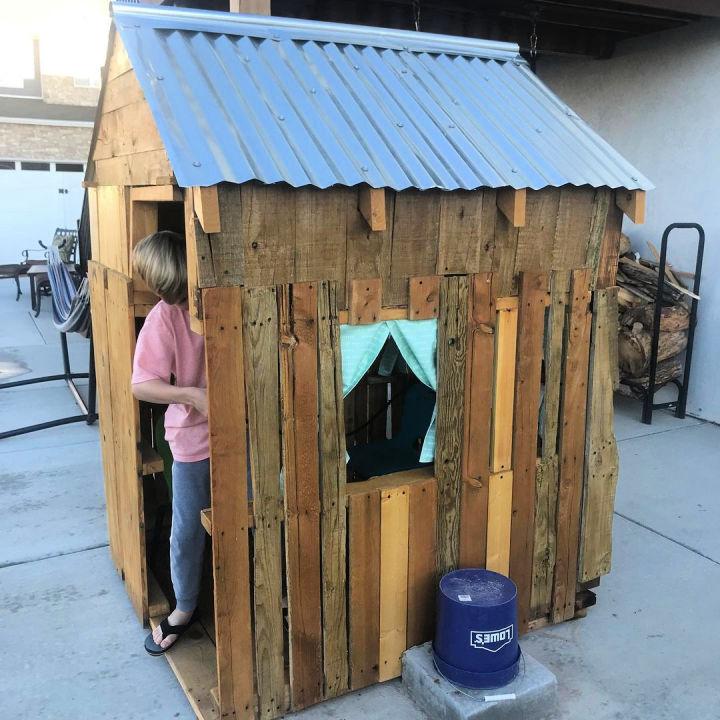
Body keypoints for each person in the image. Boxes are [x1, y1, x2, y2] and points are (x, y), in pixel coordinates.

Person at [130, 230, 209, 655]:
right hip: (192, 438)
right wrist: (192, 395)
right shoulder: (163, 317)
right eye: (173, 295)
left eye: (183, 293)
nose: (181, 303)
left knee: (257, 517)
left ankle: (259, 594)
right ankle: (185, 607)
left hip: (247, 434)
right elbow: (142, 384)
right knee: (187, 532)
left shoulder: (219, 294)